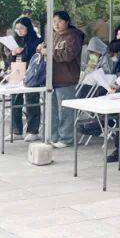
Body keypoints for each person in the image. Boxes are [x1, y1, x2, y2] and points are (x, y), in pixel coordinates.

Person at [49, 10, 85, 148]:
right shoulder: (54, 35)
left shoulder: (73, 36)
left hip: (67, 78)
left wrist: (50, 53)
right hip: (53, 78)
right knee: (53, 110)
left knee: (65, 111)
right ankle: (54, 136)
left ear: (67, 22)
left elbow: (68, 55)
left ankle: (66, 138)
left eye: (59, 21)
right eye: (54, 22)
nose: (56, 24)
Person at [7, 17, 41, 141]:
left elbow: (36, 58)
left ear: (28, 28)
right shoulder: (15, 40)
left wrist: (23, 51)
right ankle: (16, 131)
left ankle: (33, 131)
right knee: (15, 101)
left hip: (31, 75)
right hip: (16, 73)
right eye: (17, 28)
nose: (19, 31)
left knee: (32, 101)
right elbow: (9, 61)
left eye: (22, 28)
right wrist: (13, 53)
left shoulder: (36, 40)